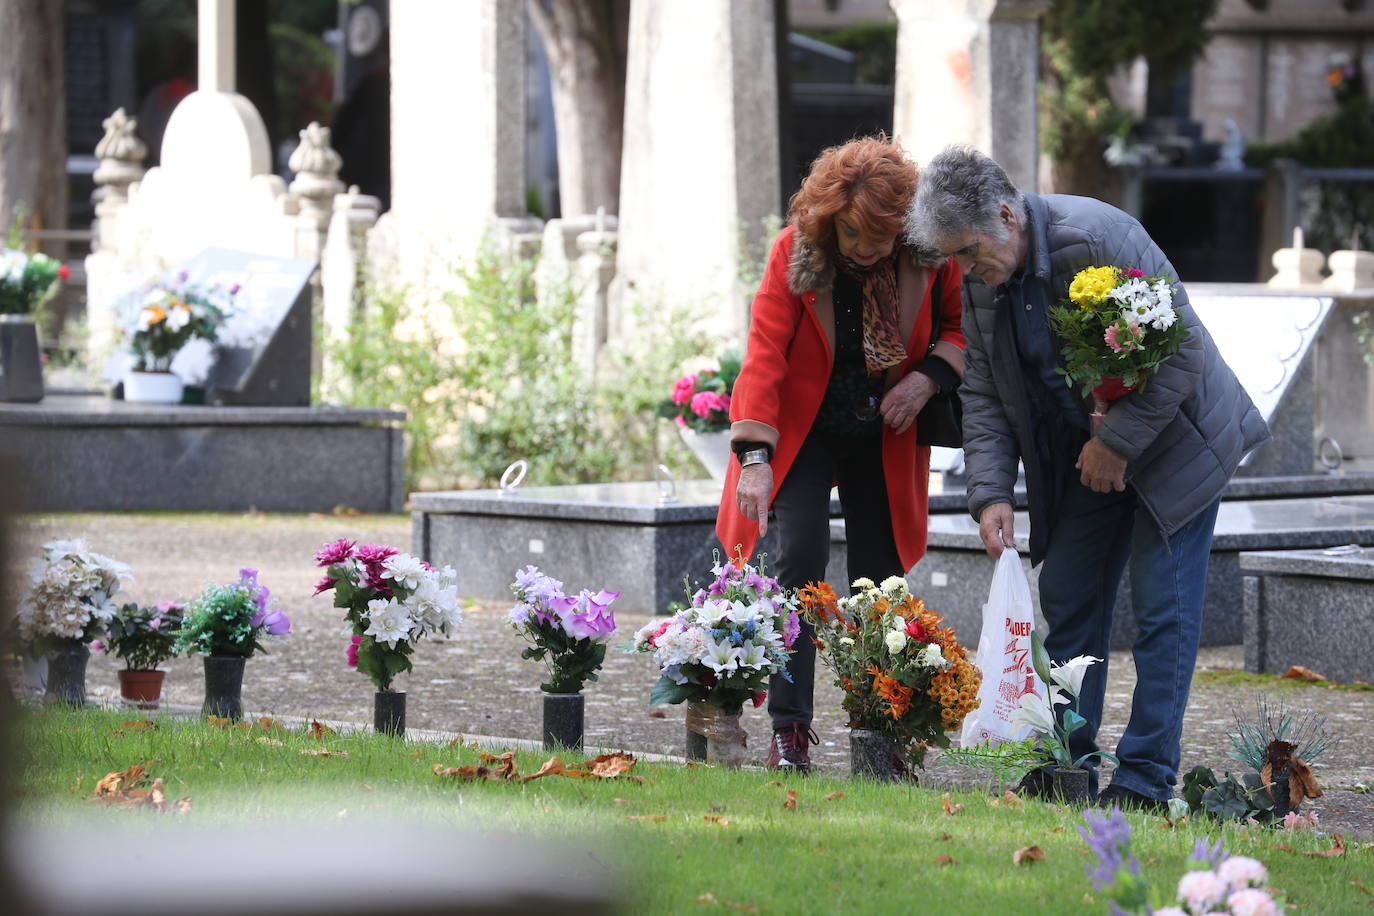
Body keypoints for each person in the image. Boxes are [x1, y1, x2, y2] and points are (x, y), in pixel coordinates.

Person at [906, 146, 1270, 810]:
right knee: (1069, 595)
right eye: (953, 259)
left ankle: (1145, 777)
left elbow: (1182, 349)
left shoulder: (1096, 236)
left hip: (1176, 446)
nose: (965, 270)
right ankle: (1065, 764)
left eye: (968, 251)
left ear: (1009, 216)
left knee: (1164, 610)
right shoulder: (985, 284)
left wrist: (1121, 442)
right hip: (1088, 453)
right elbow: (984, 396)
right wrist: (987, 492)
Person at [716, 136, 966, 772]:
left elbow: (960, 331)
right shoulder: (795, 255)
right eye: (852, 233)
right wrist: (754, 458)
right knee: (798, 559)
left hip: (884, 431)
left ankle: (881, 732)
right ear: (830, 221)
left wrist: (926, 376)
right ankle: (789, 729)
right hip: (804, 432)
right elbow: (765, 354)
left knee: (880, 579)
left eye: (878, 236)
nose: (864, 248)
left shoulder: (930, 259)